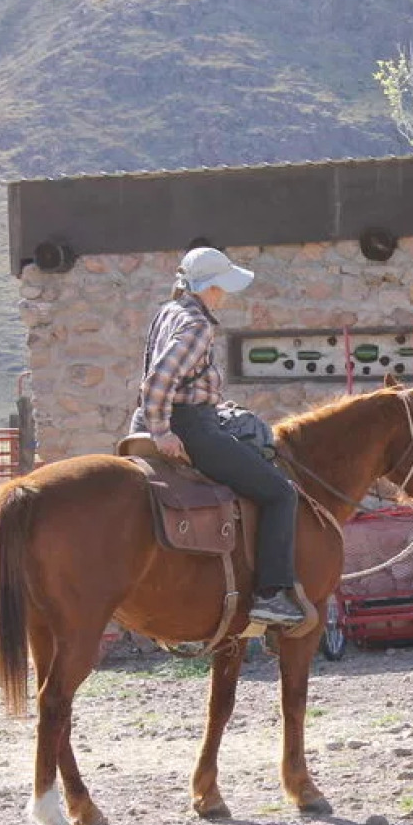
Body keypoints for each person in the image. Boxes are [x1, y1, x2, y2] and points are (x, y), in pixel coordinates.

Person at [131, 247, 305, 627]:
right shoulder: (197, 326)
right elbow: (159, 381)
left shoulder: (168, 311)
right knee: (280, 493)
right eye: (222, 287)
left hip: (164, 420)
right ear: (210, 287)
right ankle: (270, 595)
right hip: (191, 429)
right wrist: (162, 431)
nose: (225, 294)